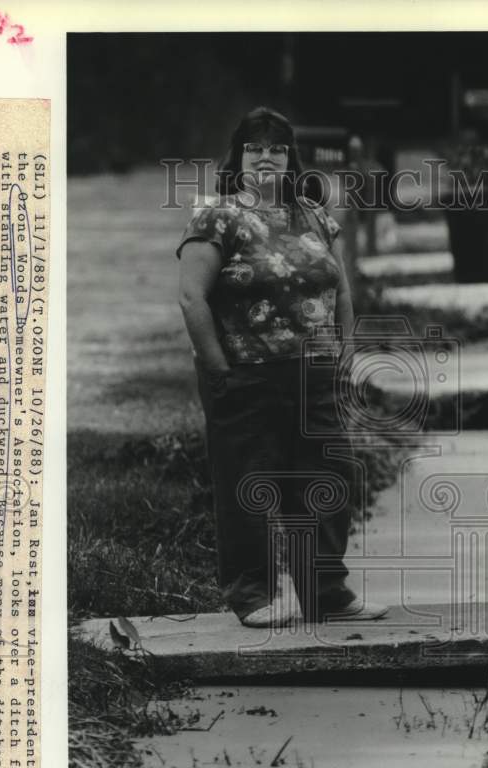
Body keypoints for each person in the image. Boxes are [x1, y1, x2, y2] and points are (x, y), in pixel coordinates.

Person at [176, 106, 387, 628]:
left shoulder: (312, 215)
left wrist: (346, 348)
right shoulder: (216, 216)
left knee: (326, 480)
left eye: (276, 148)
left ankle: (326, 593)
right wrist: (219, 367)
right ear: (239, 158)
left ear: (291, 159)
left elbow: (339, 286)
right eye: (255, 148)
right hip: (245, 375)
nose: (266, 157)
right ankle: (253, 595)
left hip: (313, 373)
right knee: (250, 482)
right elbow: (191, 297)